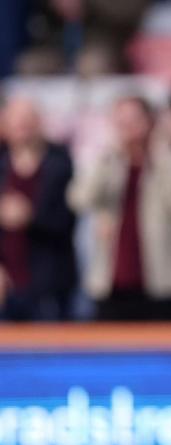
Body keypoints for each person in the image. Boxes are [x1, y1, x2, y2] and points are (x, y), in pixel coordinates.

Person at [68, 96, 171, 321]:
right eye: (121, 121)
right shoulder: (109, 159)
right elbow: (80, 199)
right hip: (113, 282)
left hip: (164, 283)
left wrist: (160, 153)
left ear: (151, 121)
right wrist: (107, 155)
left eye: (134, 119)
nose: (128, 127)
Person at [0, 96, 76, 321]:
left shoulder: (60, 164)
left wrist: (30, 217)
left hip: (47, 285)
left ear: (39, 123)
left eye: (27, 119)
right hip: (6, 284)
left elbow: (68, 220)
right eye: (15, 119)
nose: (21, 126)